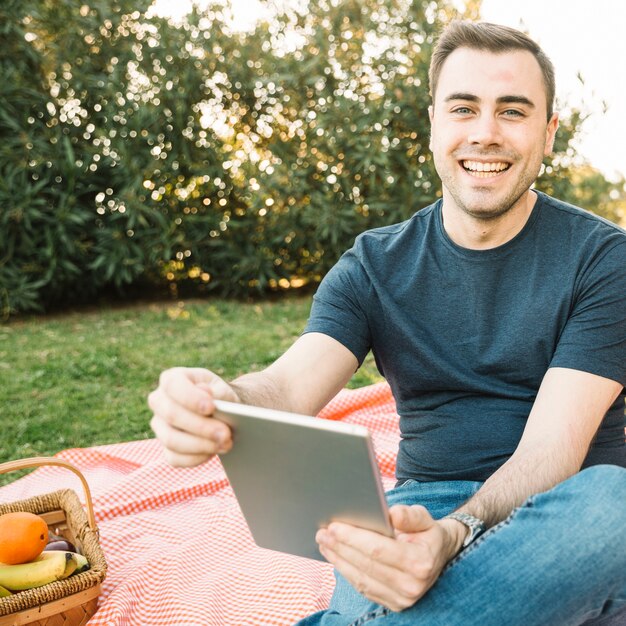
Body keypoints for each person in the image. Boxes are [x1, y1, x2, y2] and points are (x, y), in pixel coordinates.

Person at [148, 21, 626, 626]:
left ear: (547, 133)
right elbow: (289, 386)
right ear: (433, 124)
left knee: (616, 500)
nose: (485, 133)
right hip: (415, 513)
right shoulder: (374, 266)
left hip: (561, 522)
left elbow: (551, 451)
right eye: (464, 108)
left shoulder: (606, 260)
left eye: (513, 111)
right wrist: (224, 399)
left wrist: (452, 539)